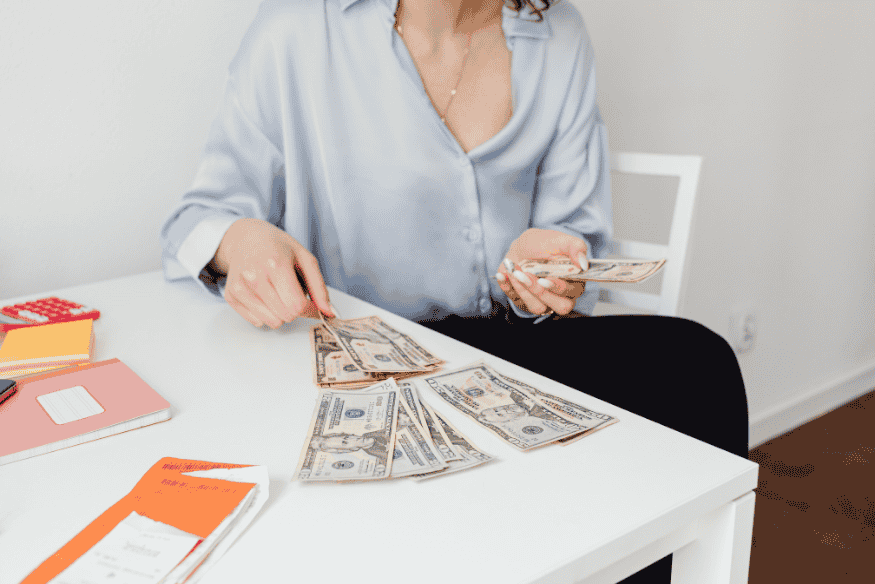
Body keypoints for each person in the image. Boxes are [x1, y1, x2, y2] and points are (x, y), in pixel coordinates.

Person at [160, 1, 749, 581]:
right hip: (363, 368)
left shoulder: (560, 35)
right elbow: (200, 217)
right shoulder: (294, 30)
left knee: (698, 364)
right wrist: (241, 241)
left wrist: (548, 265)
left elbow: (576, 232)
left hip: (504, 350)